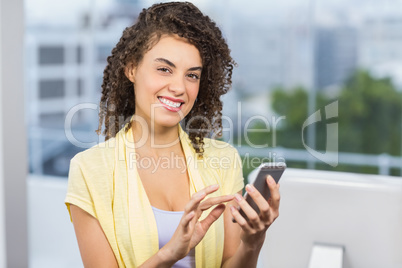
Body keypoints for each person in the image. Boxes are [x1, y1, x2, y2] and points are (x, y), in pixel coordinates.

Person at [65, 2, 280, 267]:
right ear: (132, 68)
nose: (179, 87)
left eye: (192, 75)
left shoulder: (223, 159)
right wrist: (170, 253)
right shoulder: (89, 170)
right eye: (164, 69)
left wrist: (252, 243)